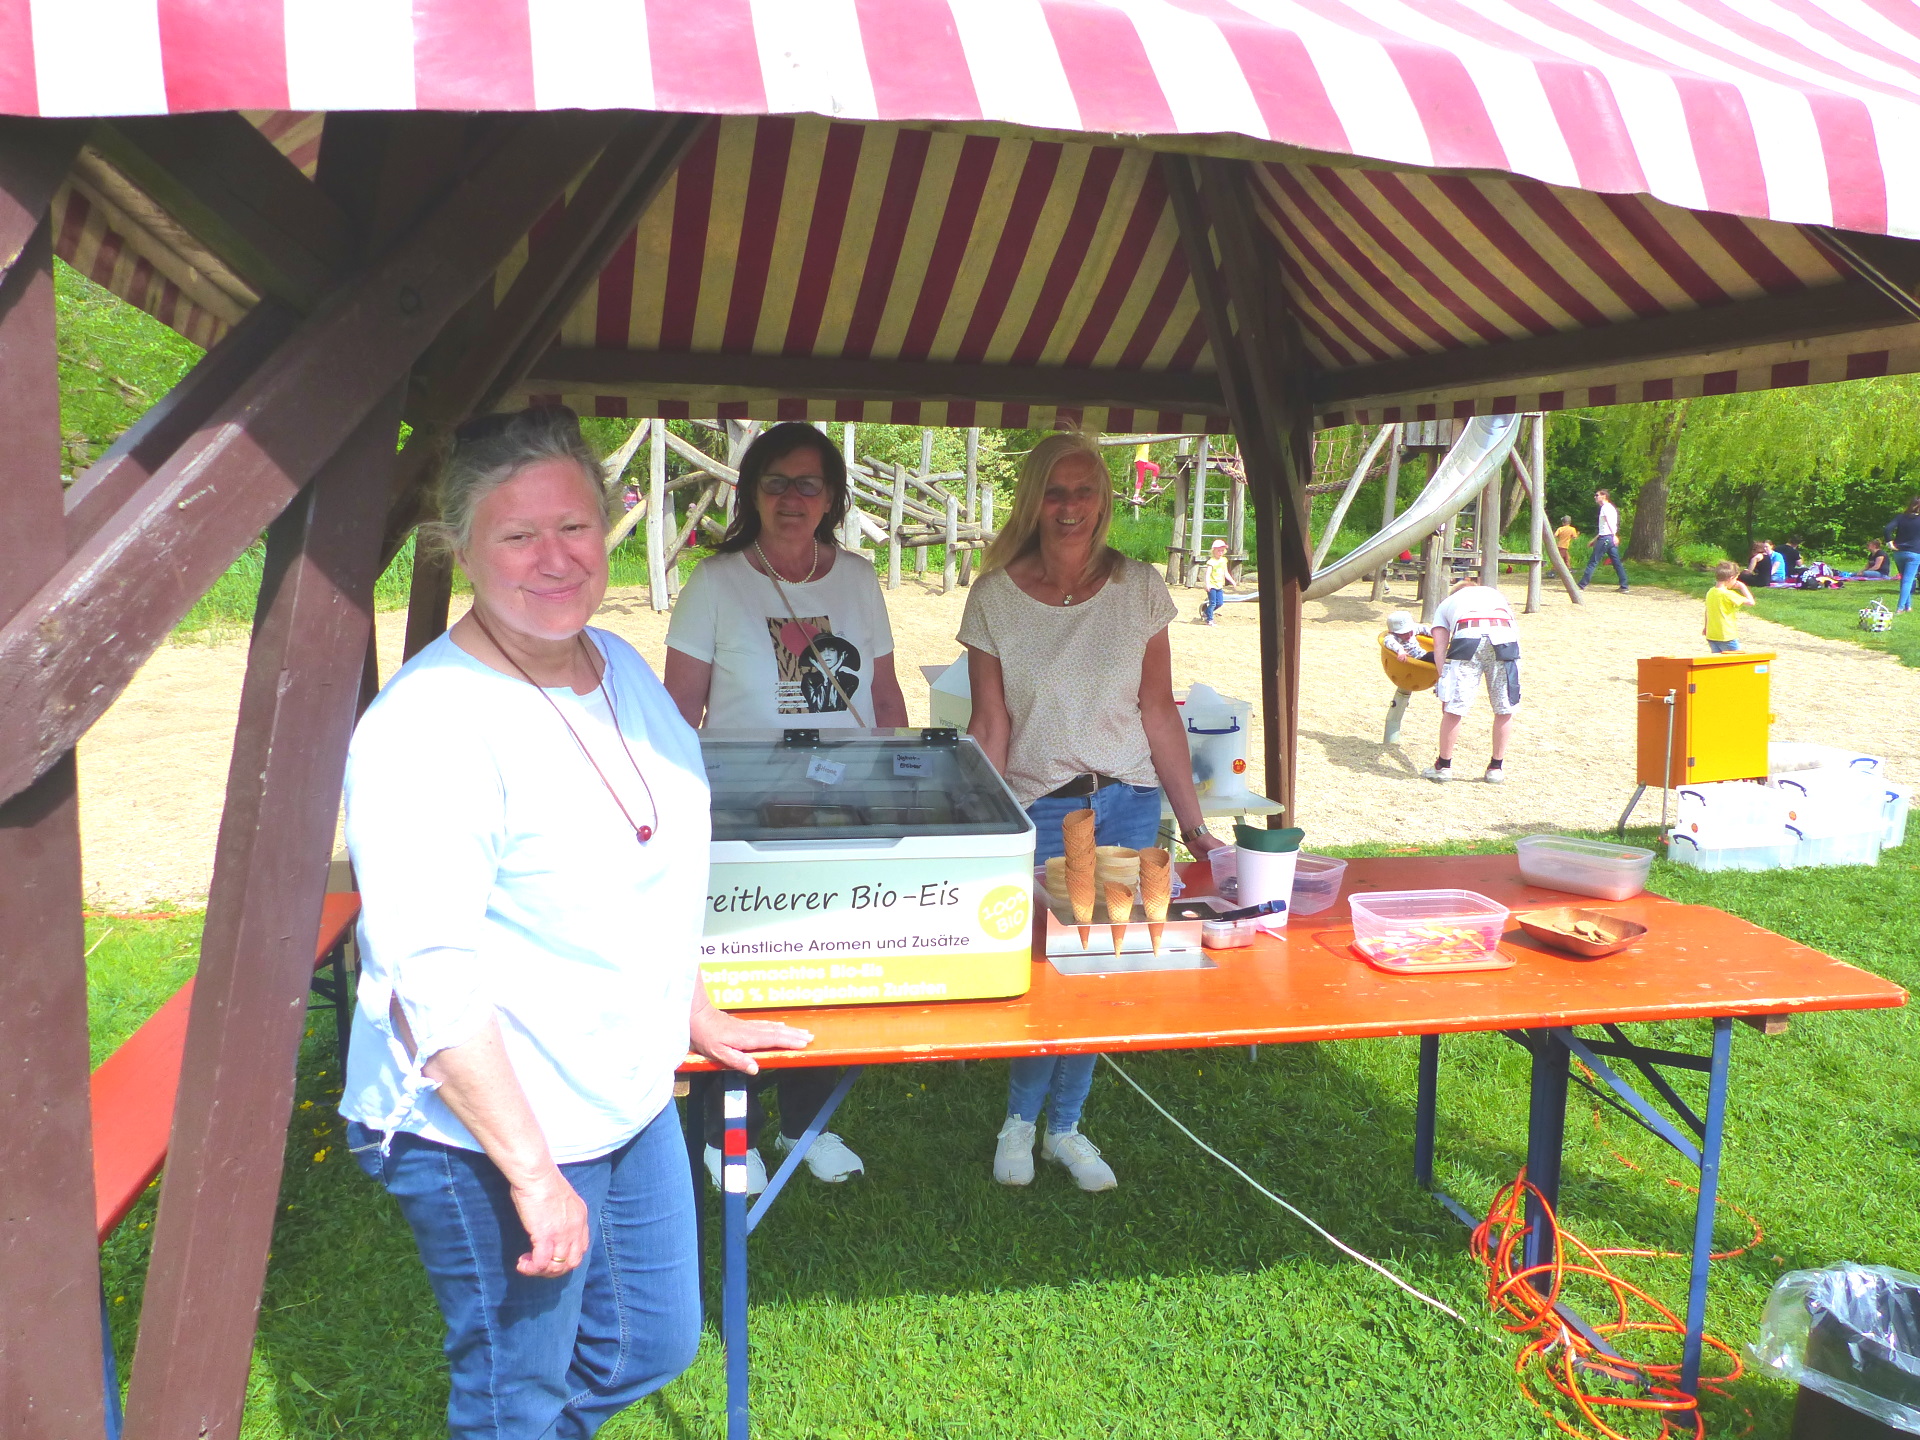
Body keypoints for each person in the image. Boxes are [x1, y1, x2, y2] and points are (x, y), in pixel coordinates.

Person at [340, 406, 812, 1439]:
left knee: (651, 1342)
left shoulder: (621, 667)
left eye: (575, 529)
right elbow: (432, 976)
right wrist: (533, 1174)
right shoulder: (431, 728)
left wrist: (687, 1003)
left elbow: (648, 858)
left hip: (621, 1090)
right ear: (462, 547)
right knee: (516, 1389)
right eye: (517, 536)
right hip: (485, 1122)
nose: (553, 560)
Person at [958, 432, 1224, 1193]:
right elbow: (990, 726)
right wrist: (979, 823)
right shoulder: (995, 597)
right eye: (1055, 492)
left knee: (1100, 971)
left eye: (1084, 492)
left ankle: (1066, 1127)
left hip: (1130, 802)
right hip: (1044, 806)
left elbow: (1158, 712)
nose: (1070, 507)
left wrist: (1196, 826)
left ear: (1105, 501)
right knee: (1046, 973)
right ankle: (1019, 1119)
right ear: (1032, 500)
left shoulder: (1140, 587)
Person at [664, 422, 905, 1193]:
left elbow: (887, 693)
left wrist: (901, 784)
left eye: (808, 484)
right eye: (775, 482)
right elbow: (678, 713)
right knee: (735, 973)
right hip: (743, 815)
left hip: (844, 812)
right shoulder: (716, 582)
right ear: (751, 493)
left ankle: (809, 1122)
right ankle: (724, 1129)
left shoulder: (859, 579)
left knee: (829, 967)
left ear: (832, 496)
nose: (791, 498)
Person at [1420, 578, 1520, 784]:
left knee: (1454, 707)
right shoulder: (1495, 595)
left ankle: (1444, 766)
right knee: (1504, 706)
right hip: (1505, 638)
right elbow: (1514, 630)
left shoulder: (1447, 603)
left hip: (1468, 637)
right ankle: (1496, 767)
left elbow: (1439, 646)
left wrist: (1443, 679)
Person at [1578, 489, 1629, 592]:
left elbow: (1610, 523)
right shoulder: (1611, 508)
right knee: (1616, 562)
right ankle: (1624, 586)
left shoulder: (1605, 508)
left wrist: (1614, 535)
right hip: (1608, 538)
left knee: (1593, 561)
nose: (1595, 497)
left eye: (1597, 495)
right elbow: (1605, 527)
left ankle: (1581, 585)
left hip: (1606, 538)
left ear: (1604, 496)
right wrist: (1595, 539)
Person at [1703, 561, 1754, 653]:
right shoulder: (1728, 594)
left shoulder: (1710, 592)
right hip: (1726, 635)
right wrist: (1743, 587)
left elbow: (1707, 611)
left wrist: (1706, 627)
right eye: (1736, 579)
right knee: (1735, 662)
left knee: (1718, 663)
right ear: (1731, 578)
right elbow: (1751, 602)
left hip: (1712, 634)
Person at [1885, 497, 1920, 614]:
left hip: (1899, 552)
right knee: (1908, 581)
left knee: (1905, 579)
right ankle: (1900, 608)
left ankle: (1908, 606)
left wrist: (1889, 543)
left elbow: (1887, 529)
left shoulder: (1900, 517)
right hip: (1914, 553)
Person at [1199, 537, 1238, 623]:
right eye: (1218, 551)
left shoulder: (1224, 560)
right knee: (1213, 603)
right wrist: (1207, 584)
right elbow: (1207, 574)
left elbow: (1226, 573)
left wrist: (1232, 581)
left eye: (1222, 550)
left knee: (1219, 603)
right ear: (1213, 551)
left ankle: (1205, 612)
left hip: (1219, 585)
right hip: (1212, 585)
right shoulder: (1211, 562)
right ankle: (1209, 619)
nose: (1220, 553)